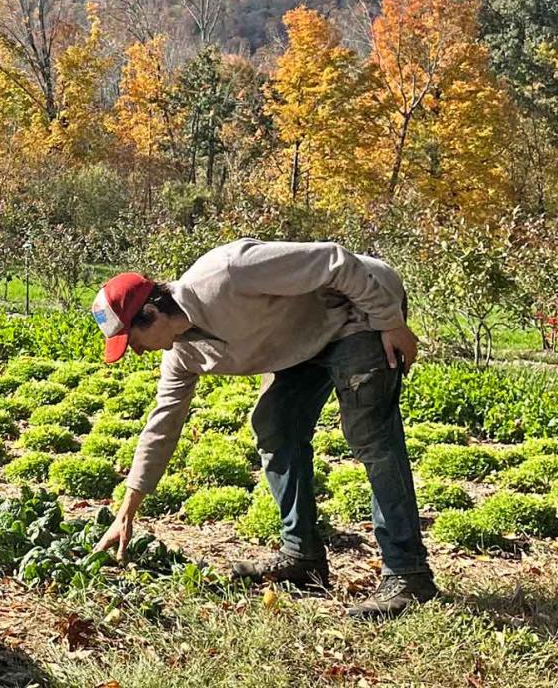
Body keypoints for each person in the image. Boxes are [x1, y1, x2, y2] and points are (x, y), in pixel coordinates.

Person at [90, 237, 436, 619]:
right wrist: (127, 512)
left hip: (361, 310)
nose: (136, 352)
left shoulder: (228, 272)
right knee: (276, 425)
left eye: (132, 341)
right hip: (306, 337)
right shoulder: (182, 354)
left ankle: (408, 574)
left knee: (370, 433)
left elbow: (335, 260)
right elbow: (163, 424)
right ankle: (301, 555)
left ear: (152, 313)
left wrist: (391, 321)